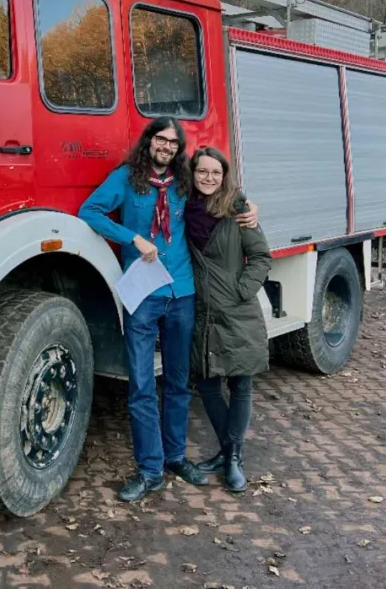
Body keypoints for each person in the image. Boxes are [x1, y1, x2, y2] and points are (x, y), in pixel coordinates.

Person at [78, 118, 258, 502]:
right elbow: (89, 211)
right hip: (142, 294)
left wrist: (249, 208)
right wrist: (133, 237)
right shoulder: (127, 178)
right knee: (142, 385)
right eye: (160, 139)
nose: (166, 147)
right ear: (149, 142)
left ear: (179, 149)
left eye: (173, 143)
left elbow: (218, 187)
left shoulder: (183, 183)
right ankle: (149, 469)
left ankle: (176, 457)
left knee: (178, 384)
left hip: (183, 294)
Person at [186, 146, 272, 492]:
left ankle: (233, 457)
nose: (208, 178)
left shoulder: (238, 209)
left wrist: (240, 290)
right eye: (202, 171)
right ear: (192, 174)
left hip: (237, 312)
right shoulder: (184, 208)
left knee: (240, 383)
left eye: (215, 173)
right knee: (207, 383)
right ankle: (228, 451)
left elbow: (262, 256)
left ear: (225, 177)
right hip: (202, 312)